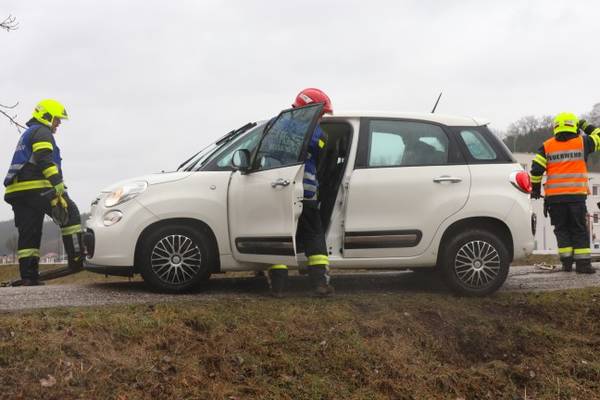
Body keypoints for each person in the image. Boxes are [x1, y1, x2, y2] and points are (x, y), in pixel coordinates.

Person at [4, 99, 85, 285]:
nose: (59, 123)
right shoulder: (42, 132)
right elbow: (43, 158)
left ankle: (28, 276)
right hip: (36, 187)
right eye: (57, 119)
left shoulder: (29, 133)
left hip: (18, 191)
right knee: (70, 214)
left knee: (30, 232)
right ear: (46, 116)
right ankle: (77, 258)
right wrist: (57, 183)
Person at [268, 88, 335, 298]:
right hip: (306, 191)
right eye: (321, 113)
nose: (321, 118)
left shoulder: (274, 125)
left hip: (276, 189)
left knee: (278, 233)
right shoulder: (319, 134)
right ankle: (320, 284)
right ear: (311, 110)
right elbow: (322, 159)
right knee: (313, 232)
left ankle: (278, 287)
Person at [530, 112, 599, 274]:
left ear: (556, 127)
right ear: (574, 126)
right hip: (576, 197)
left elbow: (536, 169)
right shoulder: (583, 142)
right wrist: (585, 125)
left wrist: (535, 188)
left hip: (555, 199)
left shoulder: (547, 146)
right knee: (579, 229)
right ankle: (583, 265)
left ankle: (566, 264)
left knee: (561, 229)